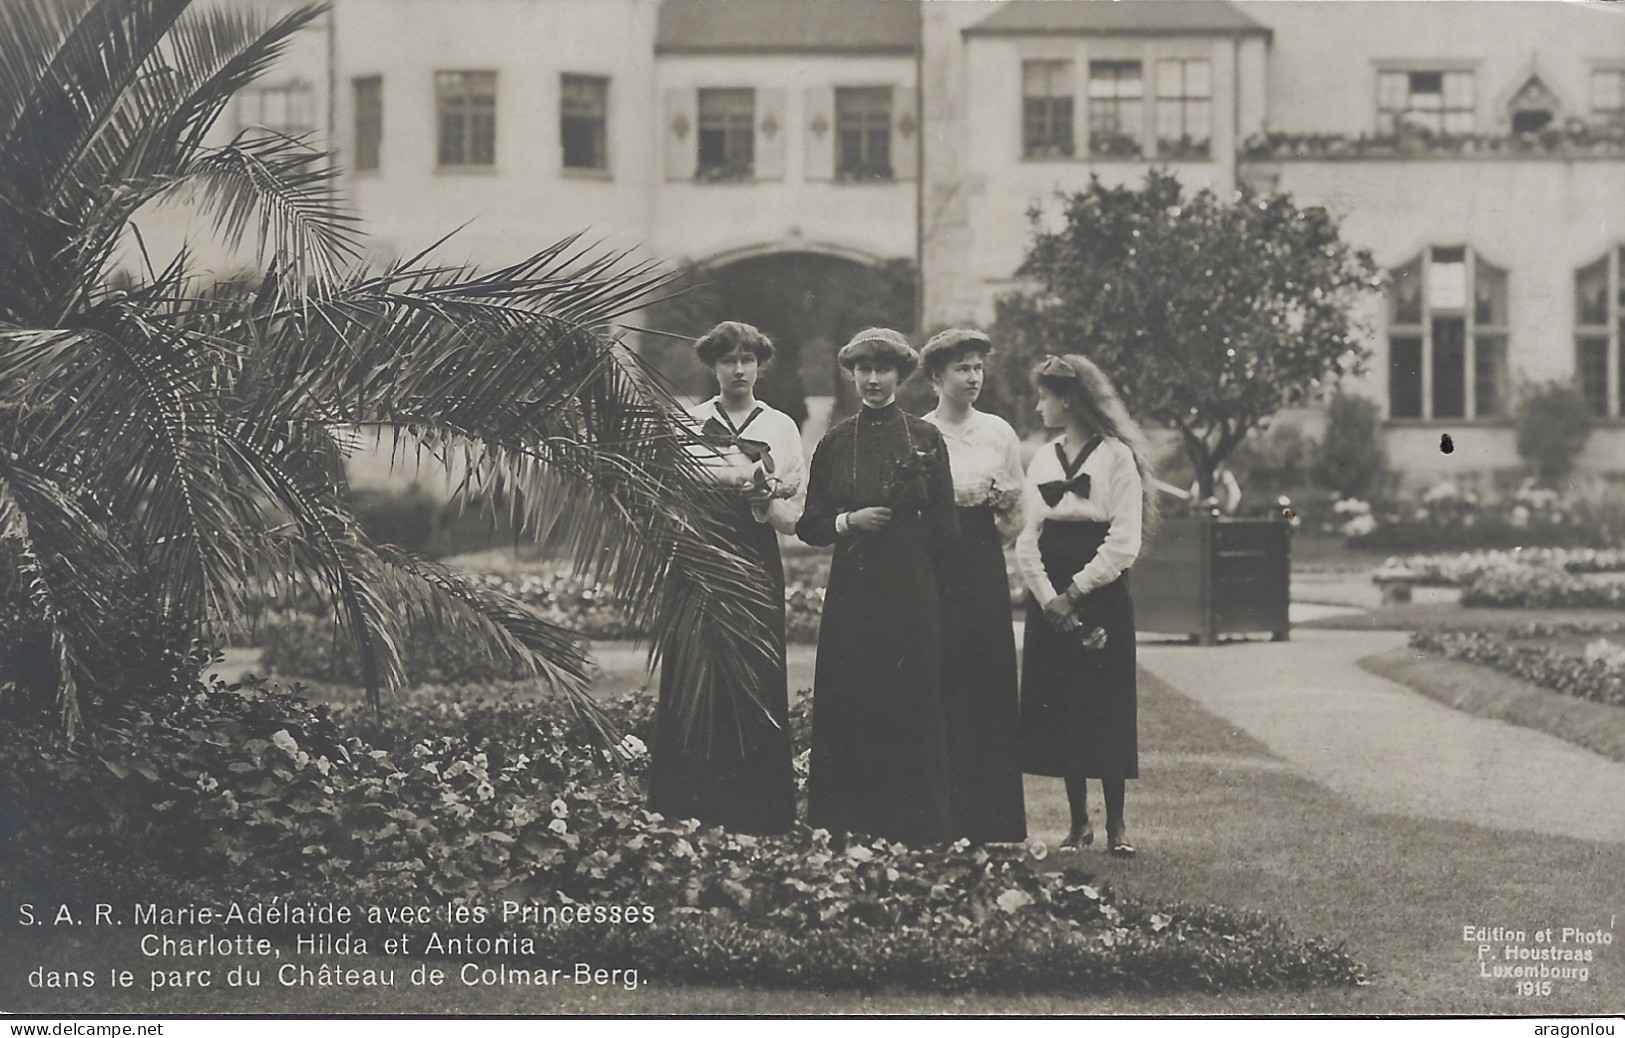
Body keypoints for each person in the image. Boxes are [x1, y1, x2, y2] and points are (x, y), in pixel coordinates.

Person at [796, 328, 959, 845]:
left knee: (909, 700)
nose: (872, 379)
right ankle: (846, 825)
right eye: (862, 369)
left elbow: (946, 527)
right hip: (853, 592)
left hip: (910, 590)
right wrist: (849, 521)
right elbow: (811, 524)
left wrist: (909, 548)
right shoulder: (837, 441)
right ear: (851, 375)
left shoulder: (926, 440)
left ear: (900, 376)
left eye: (882, 369)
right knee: (853, 700)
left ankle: (915, 826)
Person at [648, 321, 803, 834]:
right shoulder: (689, 422)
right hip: (698, 554)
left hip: (755, 554)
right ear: (712, 366)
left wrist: (769, 500)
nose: (739, 370)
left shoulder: (781, 426)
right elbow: (666, 495)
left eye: (748, 360)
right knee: (696, 667)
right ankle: (690, 803)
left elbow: (795, 515)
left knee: (754, 670)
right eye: (728, 360)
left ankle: (757, 808)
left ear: (760, 365)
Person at [1015, 353, 1159, 857]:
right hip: (1049, 590)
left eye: (1045, 397)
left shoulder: (1116, 457)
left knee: (1105, 701)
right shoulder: (1042, 457)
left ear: (1068, 399)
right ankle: (1078, 823)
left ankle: (1116, 824)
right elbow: (1026, 537)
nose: (1038, 406)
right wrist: (1047, 595)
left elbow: (1124, 540)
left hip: (1099, 592)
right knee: (1063, 702)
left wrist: (1076, 592)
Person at [920, 328, 1027, 844]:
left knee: (986, 679)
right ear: (937, 377)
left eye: (979, 368)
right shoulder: (918, 433)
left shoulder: (999, 433)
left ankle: (991, 819)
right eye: (962, 368)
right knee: (938, 678)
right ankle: (939, 816)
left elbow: (1015, 520)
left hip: (982, 564)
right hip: (934, 565)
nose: (973, 377)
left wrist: (1005, 504)